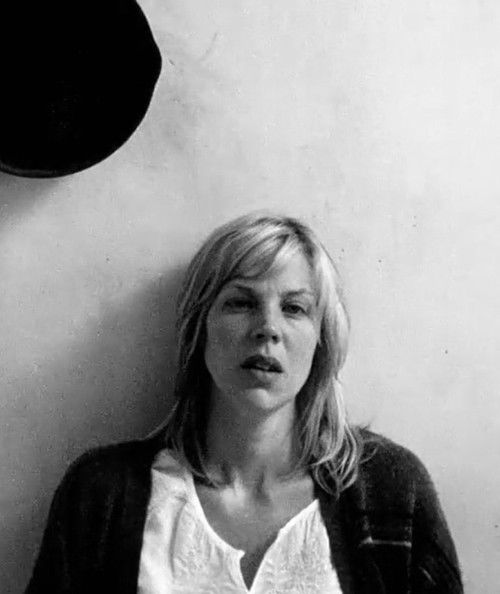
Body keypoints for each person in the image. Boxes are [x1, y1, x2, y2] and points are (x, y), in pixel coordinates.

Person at [25, 212, 463, 593]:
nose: (267, 328)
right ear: (200, 328)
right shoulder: (102, 496)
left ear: (322, 339)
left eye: (294, 308)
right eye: (241, 302)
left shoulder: (391, 490)